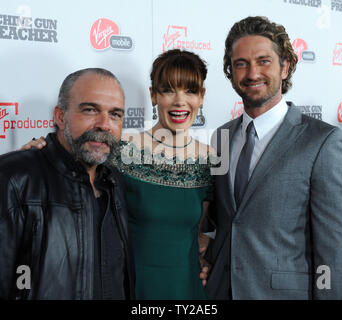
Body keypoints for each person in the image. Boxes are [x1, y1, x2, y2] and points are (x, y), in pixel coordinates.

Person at [19, 49, 213, 300]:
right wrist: (37, 152)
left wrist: (206, 257)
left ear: (202, 97)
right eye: (167, 90)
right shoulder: (118, 149)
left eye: (190, 91)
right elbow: (67, 163)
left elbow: (203, 232)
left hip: (188, 289)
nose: (179, 101)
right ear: (153, 95)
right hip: (128, 287)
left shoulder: (211, 159)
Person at [202, 16, 342, 299]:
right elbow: (221, 220)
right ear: (231, 72)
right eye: (240, 64)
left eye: (263, 61)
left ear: (285, 67)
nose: (252, 73)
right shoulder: (220, 137)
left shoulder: (322, 142)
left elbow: (334, 250)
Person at [0, 68, 135, 299]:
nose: (104, 124)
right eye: (90, 110)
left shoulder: (115, 182)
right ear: (60, 116)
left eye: (115, 114)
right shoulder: (14, 178)